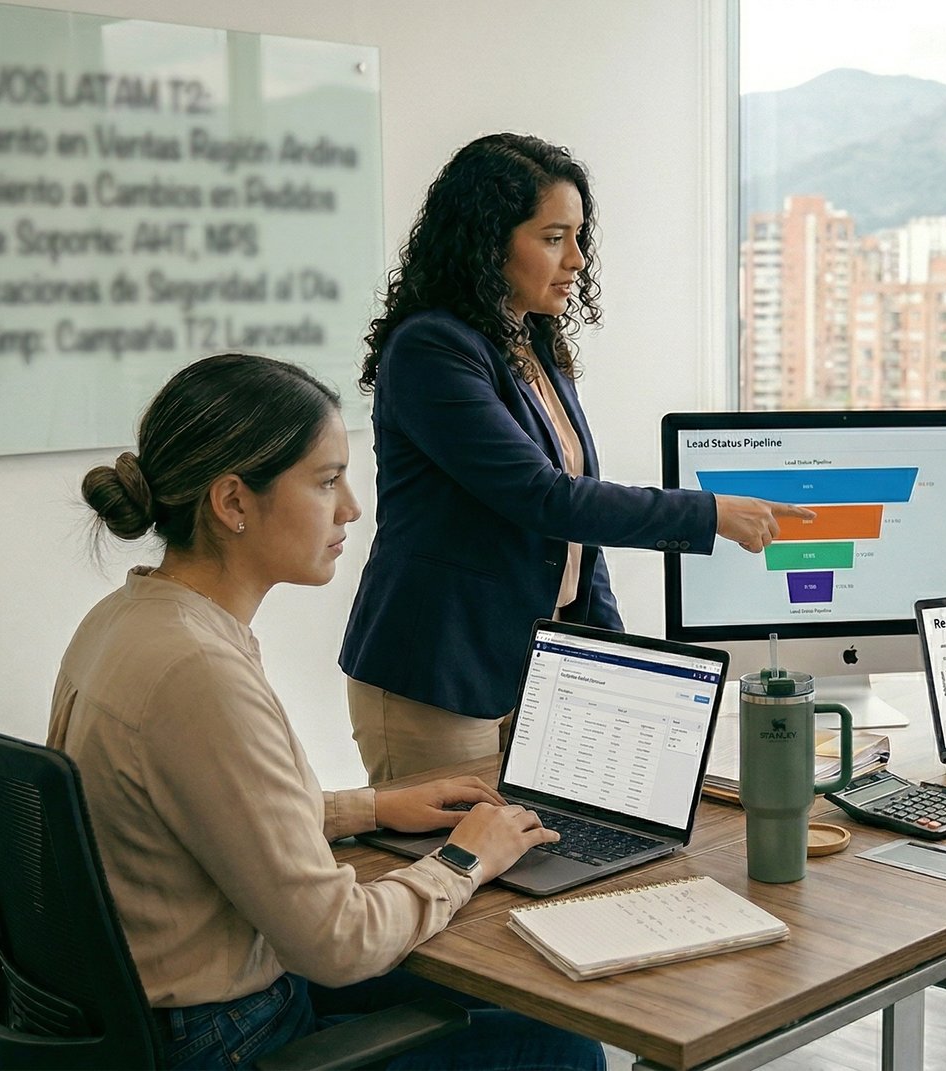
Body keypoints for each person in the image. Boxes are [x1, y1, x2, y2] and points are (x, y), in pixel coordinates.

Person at [55, 353, 605, 1070]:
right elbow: (338, 941)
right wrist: (470, 855)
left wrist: (371, 806)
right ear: (232, 503)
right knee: (560, 1045)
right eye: (325, 481)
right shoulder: (198, 673)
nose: (350, 506)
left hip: (164, 1010)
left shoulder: (126, 619)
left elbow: (215, 813)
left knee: (503, 997)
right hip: (229, 1037)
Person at [339, 132, 809, 782]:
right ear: (487, 239)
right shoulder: (430, 350)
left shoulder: (530, 342)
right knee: (455, 871)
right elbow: (545, 499)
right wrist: (707, 514)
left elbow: (574, 537)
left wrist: (615, 660)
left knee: (544, 861)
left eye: (579, 236)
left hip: (533, 669)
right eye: (554, 236)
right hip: (439, 671)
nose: (578, 259)